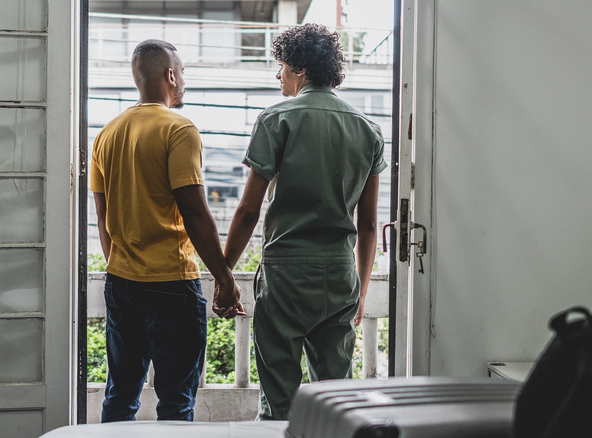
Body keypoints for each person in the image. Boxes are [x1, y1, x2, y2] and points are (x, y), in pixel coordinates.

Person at [222, 23, 387, 420]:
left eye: (280, 66)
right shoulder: (369, 130)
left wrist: (224, 273)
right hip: (341, 274)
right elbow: (367, 227)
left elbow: (247, 211)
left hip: (287, 275)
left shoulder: (276, 119)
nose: (278, 75)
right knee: (336, 401)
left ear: (298, 68)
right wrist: (360, 291)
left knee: (280, 402)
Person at [90, 39, 243, 422]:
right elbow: (194, 211)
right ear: (171, 76)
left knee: (120, 394)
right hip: (172, 285)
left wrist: (122, 267)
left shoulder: (106, 134)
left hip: (122, 282)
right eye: (184, 72)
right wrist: (224, 276)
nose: (184, 79)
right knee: (176, 402)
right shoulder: (179, 129)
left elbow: (102, 216)